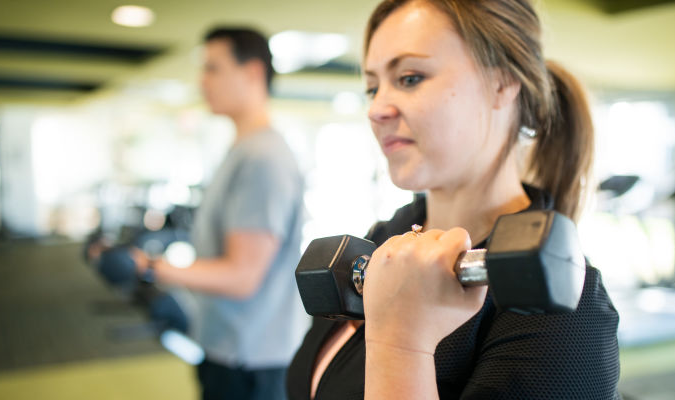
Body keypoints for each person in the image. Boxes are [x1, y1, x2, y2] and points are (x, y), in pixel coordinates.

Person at [286, 0, 620, 399]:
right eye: (373, 87)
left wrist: (401, 339)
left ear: (503, 84)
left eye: (409, 78)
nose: (376, 108)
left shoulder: (567, 314)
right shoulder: (381, 242)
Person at [131, 27, 308, 400]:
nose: (202, 81)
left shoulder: (263, 158)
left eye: (213, 68)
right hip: (229, 349)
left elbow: (242, 275)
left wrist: (149, 267)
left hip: (251, 360)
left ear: (253, 74)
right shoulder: (242, 150)